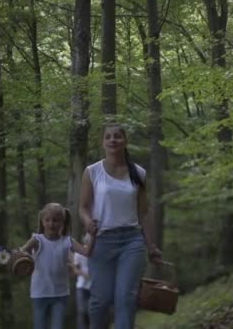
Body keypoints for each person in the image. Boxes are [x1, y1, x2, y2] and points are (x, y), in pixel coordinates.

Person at [79, 123, 163, 329]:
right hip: (101, 241)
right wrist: (88, 221)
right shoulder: (92, 172)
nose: (112, 140)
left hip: (132, 242)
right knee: (101, 300)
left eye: (117, 136)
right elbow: (82, 207)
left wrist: (151, 247)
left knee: (126, 297)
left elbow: (144, 212)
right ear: (103, 142)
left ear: (125, 141)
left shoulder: (138, 173)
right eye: (108, 137)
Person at [18, 202, 92, 329]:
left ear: (62, 222)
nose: (51, 224)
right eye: (47, 220)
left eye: (56, 220)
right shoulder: (37, 240)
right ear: (42, 221)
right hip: (39, 293)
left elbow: (86, 252)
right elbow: (22, 252)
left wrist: (94, 235)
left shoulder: (67, 241)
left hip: (60, 293)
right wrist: (20, 257)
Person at [71, 234, 91, 329]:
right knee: (82, 311)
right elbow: (75, 270)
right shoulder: (79, 253)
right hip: (82, 286)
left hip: (94, 287)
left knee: (92, 311)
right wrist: (84, 274)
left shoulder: (97, 252)